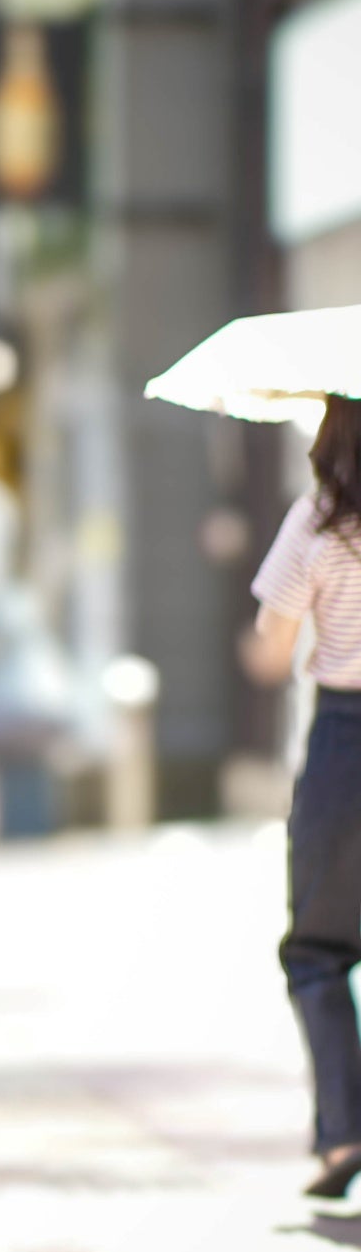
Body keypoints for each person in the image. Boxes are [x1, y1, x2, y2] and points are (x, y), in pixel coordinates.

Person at [244, 394, 361, 1207]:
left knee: (319, 948)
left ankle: (345, 1132)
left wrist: (259, 640)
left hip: (346, 741)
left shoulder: (319, 522)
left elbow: (270, 653)